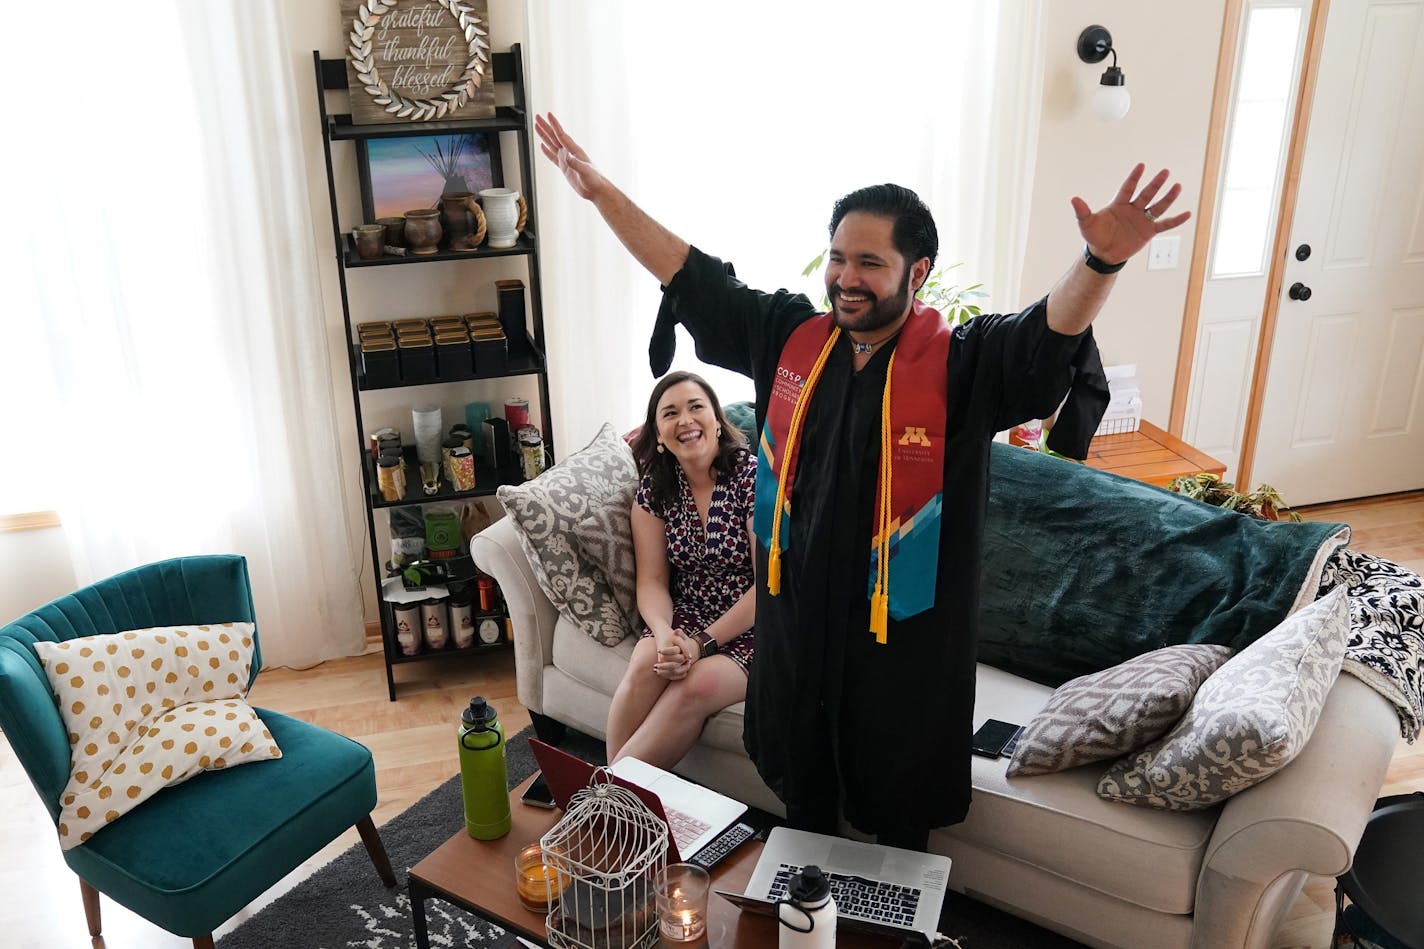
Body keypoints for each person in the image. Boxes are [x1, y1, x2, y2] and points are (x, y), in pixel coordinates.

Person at [535, 112, 1190, 847]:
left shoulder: (959, 364)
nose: (846, 277)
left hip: (901, 649)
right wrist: (600, 194)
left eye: (869, 262)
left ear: (917, 271)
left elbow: (1043, 336)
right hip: (796, 641)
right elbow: (693, 276)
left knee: (898, 817)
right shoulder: (792, 340)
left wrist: (1099, 263)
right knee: (804, 819)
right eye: (837, 257)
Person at [606, 371, 758, 769]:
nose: (685, 421)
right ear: (658, 434)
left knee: (694, 685)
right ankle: (612, 800)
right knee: (645, 664)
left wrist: (700, 645)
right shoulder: (656, 489)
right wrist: (662, 634)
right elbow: (653, 581)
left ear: (716, 419)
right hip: (686, 614)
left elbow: (769, 589)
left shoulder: (752, 477)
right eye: (670, 413)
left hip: (755, 622)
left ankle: (604, 797)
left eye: (696, 407)